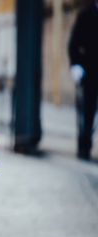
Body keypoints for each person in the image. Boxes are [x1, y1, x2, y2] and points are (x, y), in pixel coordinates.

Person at [68, 0, 98, 160]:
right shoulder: (85, 16)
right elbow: (73, 44)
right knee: (87, 113)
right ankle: (84, 146)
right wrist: (76, 65)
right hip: (90, 74)